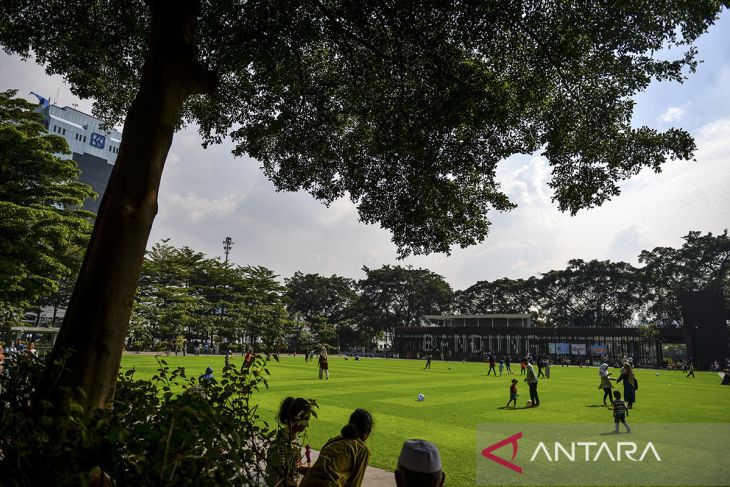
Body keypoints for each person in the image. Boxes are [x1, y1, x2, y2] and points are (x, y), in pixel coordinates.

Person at [299, 409, 373, 487]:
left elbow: (322, 471)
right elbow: (355, 483)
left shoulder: (333, 441)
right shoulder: (362, 449)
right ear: (368, 431)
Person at [266, 396, 315, 487]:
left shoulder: (295, 440)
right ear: (295, 419)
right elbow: (275, 478)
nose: (307, 424)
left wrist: (301, 470)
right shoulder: (280, 446)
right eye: (305, 419)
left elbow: (289, 469)